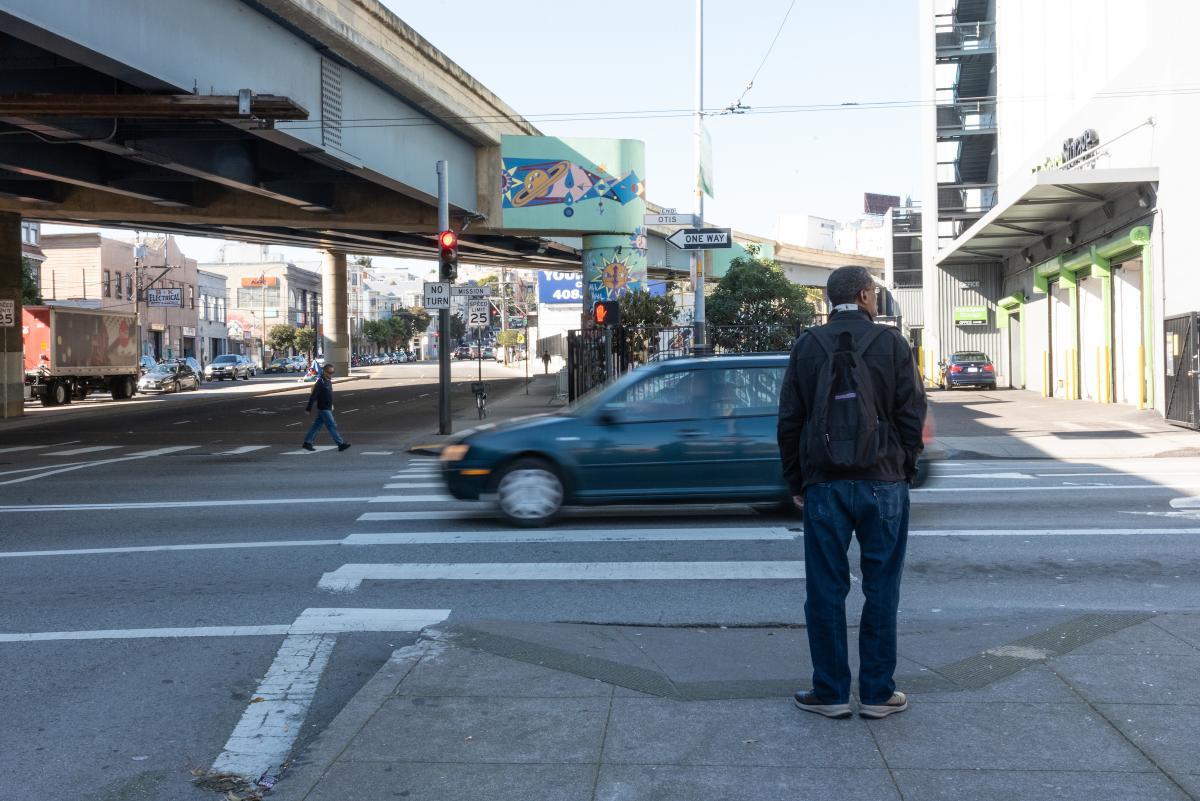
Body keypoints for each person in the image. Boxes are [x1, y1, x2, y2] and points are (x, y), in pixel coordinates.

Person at [777, 265, 926, 721]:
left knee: (825, 589)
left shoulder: (806, 346)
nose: (876, 299)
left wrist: (797, 481)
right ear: (864, 295)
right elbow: (911, 413)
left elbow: (789, 422)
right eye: (875, 293)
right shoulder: (891, 343)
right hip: (884, 482)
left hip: (825, 485)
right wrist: (903, 468)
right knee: (882, 588)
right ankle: (879, 694)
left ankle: (832, 692)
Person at [303, 363, 351, 452]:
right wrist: (308, 408)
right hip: (323, 408)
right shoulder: (320, 382)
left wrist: (331, 404)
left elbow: (328, 395)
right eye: (329, 372)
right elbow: (313, 396)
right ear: (324, 371)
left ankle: (307, 442)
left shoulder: (328, 381)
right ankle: (340, 444)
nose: (330, 374)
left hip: (327, 407)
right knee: (332, 425)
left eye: (332, 373)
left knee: (316, 426)